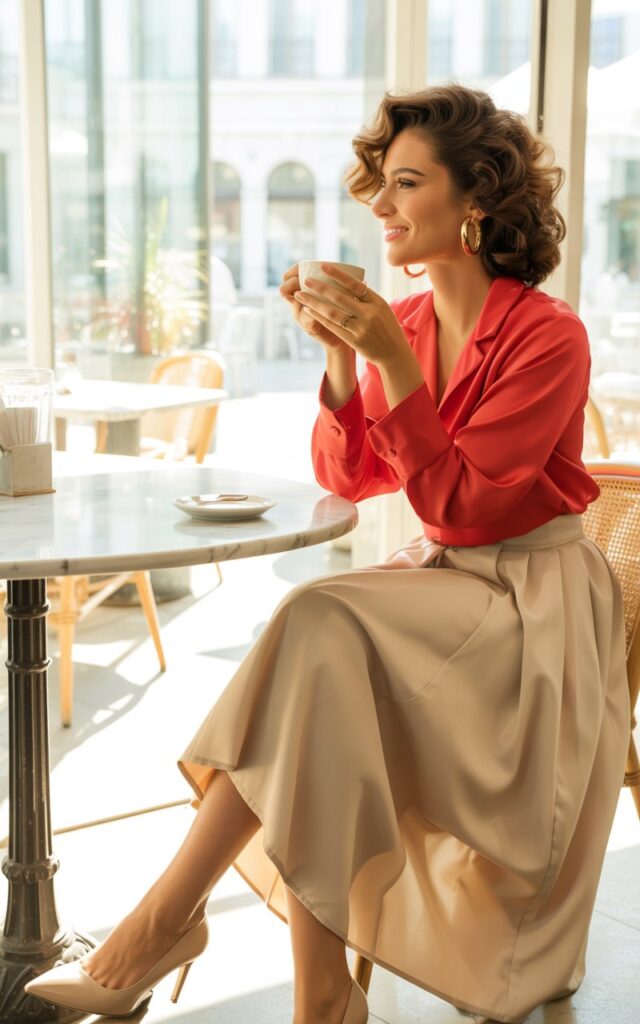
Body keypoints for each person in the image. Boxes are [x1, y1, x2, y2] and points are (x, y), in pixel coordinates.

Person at [24, 85, 629, 1024]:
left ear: (476, 200)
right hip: (449, 591)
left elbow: (465, 508)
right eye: (381, 183)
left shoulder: (549, 335)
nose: (379, 204)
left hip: (531, 609)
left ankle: (169, 929)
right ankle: (309, 989)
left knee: (318, 624)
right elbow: (350, 476)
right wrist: (346, 362)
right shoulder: (411, 323)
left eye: (406, 183)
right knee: (322, 666)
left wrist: (391, 361)